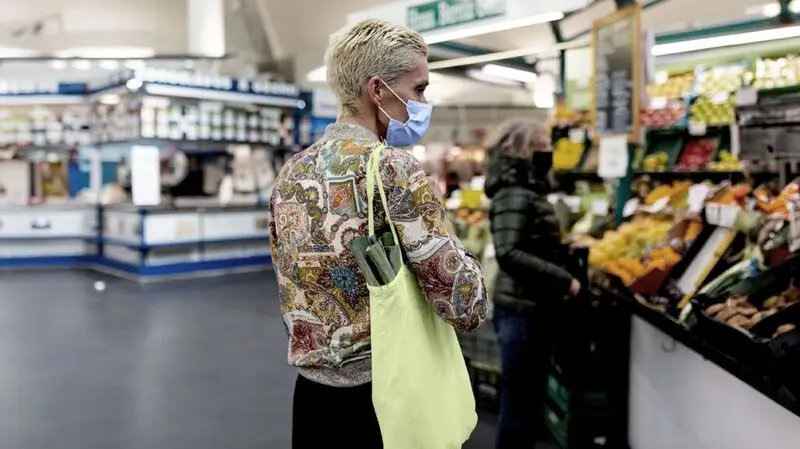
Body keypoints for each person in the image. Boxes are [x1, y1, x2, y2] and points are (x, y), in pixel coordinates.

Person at [268, 19, 489, 449]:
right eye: (419, 88)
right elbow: (465, 304)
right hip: (385, 399)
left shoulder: (291, 171)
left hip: (313, 398)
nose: (424, 101)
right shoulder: (392, 168)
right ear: (377, 90)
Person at [484, 119, 581, 448]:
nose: (549, 152)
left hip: (532, 307)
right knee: (519, 405)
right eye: (543, 146)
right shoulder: (513, 190)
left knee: (526, 401)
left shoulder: (527, 187)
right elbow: (509, 251)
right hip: (520, 311)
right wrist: (564, 279)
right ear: (525, 150)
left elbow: (528, 242)